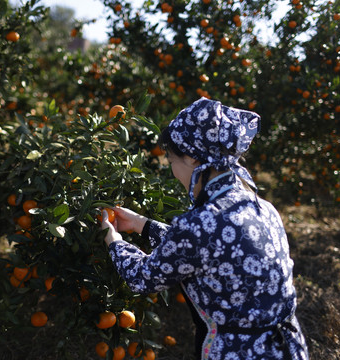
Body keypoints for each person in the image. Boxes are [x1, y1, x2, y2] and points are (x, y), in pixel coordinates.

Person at [100, 97, 309, 360]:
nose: (173, 170)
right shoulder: (263, 208)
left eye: (172, 160)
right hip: (286, 349)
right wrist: (143, 225)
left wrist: (113, 240)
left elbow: (144, 277)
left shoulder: (200, 224)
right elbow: (213, 250)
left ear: (190, 158)